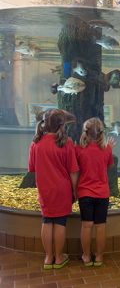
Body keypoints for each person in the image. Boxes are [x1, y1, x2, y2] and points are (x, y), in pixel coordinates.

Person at [28, 109, 79, 270]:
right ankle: (59, 257)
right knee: (60, 222)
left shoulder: (36, 142)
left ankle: (48, 258)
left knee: (47, 220)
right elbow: (73, 171)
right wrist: (75, 191)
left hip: (44, 188)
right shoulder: (67, 142)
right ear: (62, 125)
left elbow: (32, 168)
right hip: (62, 189)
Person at [75, 117, 115, 266]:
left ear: (85, 132)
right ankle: (99, 257)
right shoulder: (107, 150)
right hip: (102, 193)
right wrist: (109, 148)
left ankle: (86, 256)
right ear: (101, 133)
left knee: (86, 225)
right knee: (100, 226)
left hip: (85, 193)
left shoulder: (78, 150)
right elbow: (109, 165)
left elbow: (75, 168)